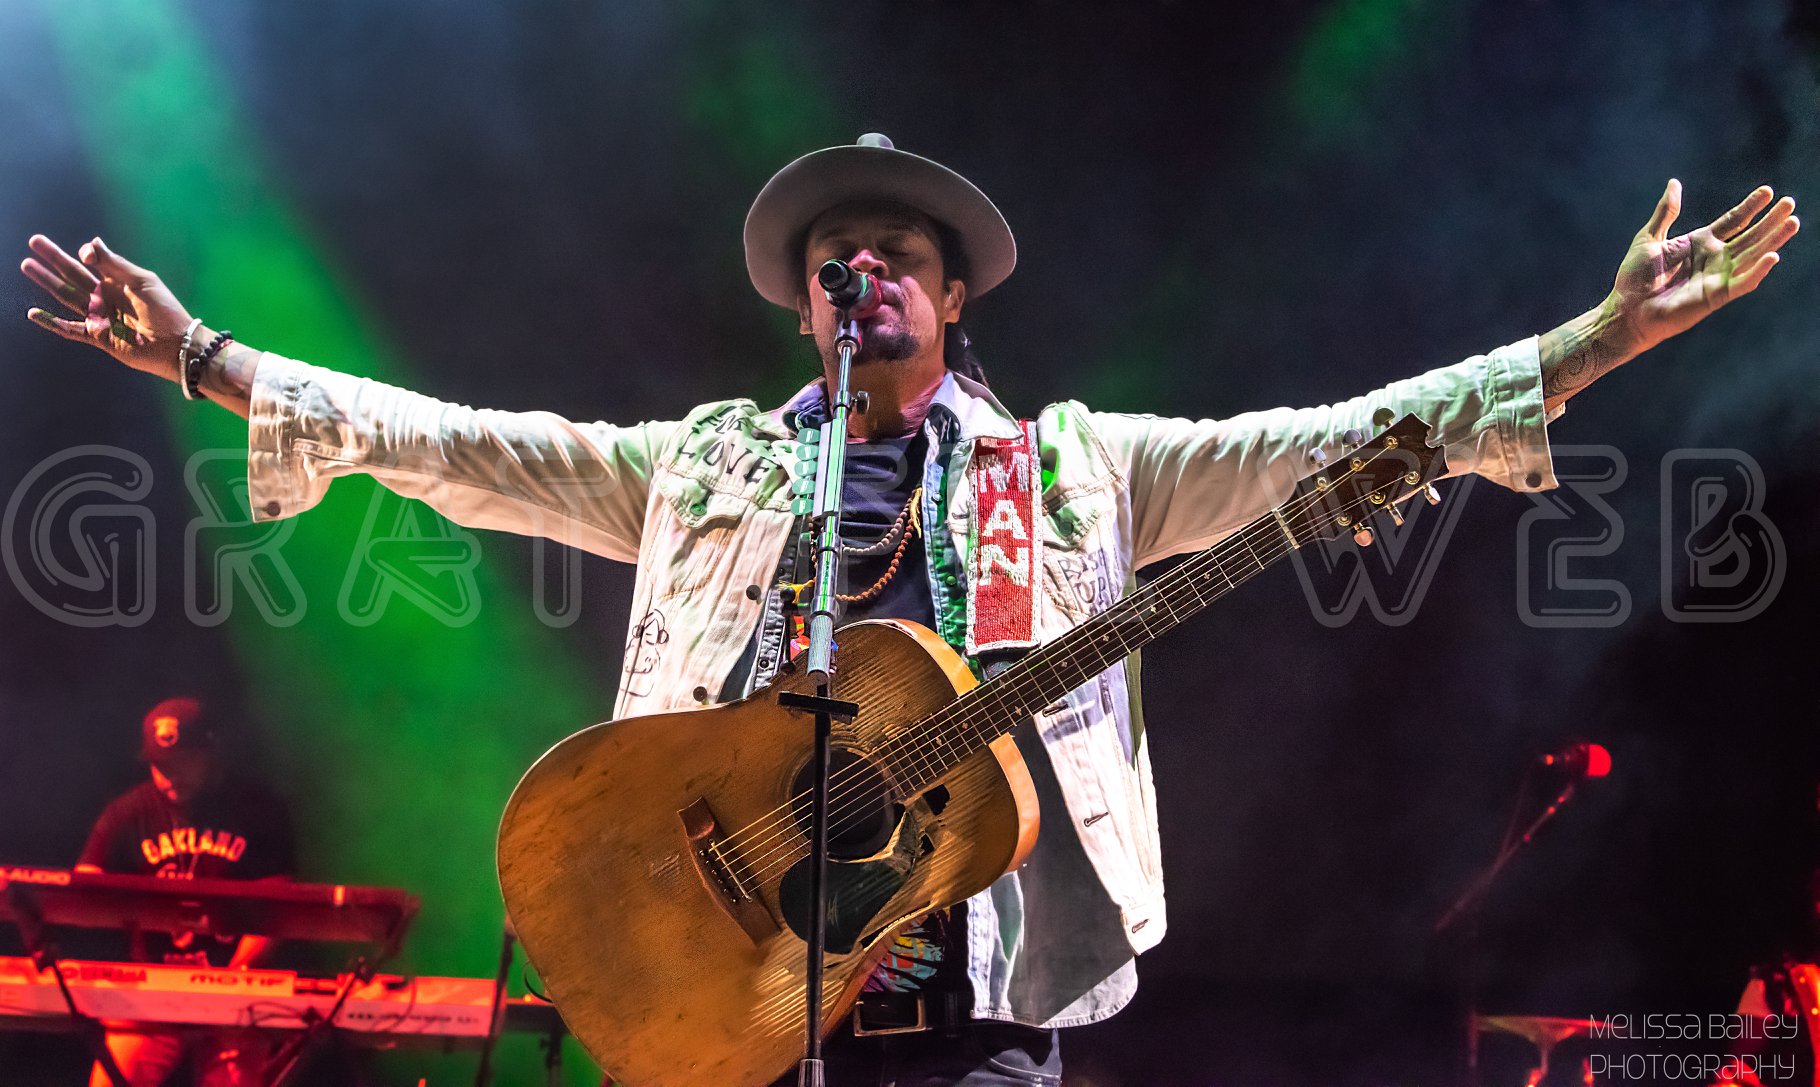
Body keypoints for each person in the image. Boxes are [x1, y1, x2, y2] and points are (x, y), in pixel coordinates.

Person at [21, 134, 1797, 1086]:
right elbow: (467, 448)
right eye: (827, 263)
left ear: (952, 300)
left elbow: (1332, 441)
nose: (850, 273)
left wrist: (1596, 341)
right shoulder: (711, 467)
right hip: (733, 988)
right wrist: (206, 356)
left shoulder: (1082, 470)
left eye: (890, 256)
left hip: (977, 1007)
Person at [75, 697, 296, 1087]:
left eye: (181, 764)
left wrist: (237, 976)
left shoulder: (258, 809)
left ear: (211, 752)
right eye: (160, 767)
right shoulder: (128, 812)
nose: (169, 777)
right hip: (150, 989)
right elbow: (83, 884)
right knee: (114, 1077)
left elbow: (276, 906)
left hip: (238, 987)